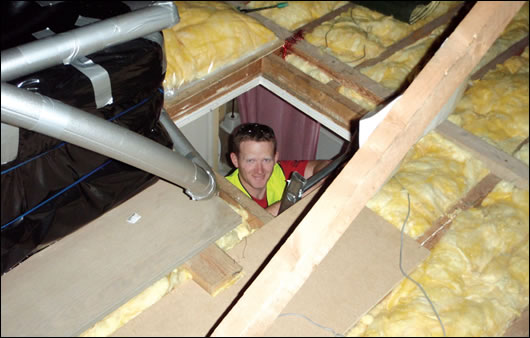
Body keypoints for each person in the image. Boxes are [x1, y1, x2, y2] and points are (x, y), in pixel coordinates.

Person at [225, 123, 331, 216]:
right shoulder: (224, 194)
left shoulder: (280, 170)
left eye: (266, 160)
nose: (259, 170)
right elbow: (252, 230)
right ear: (235, 160)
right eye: (251, 161)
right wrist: (292, 200)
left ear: (275, 158)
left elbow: (326, 166)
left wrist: (321, 180)